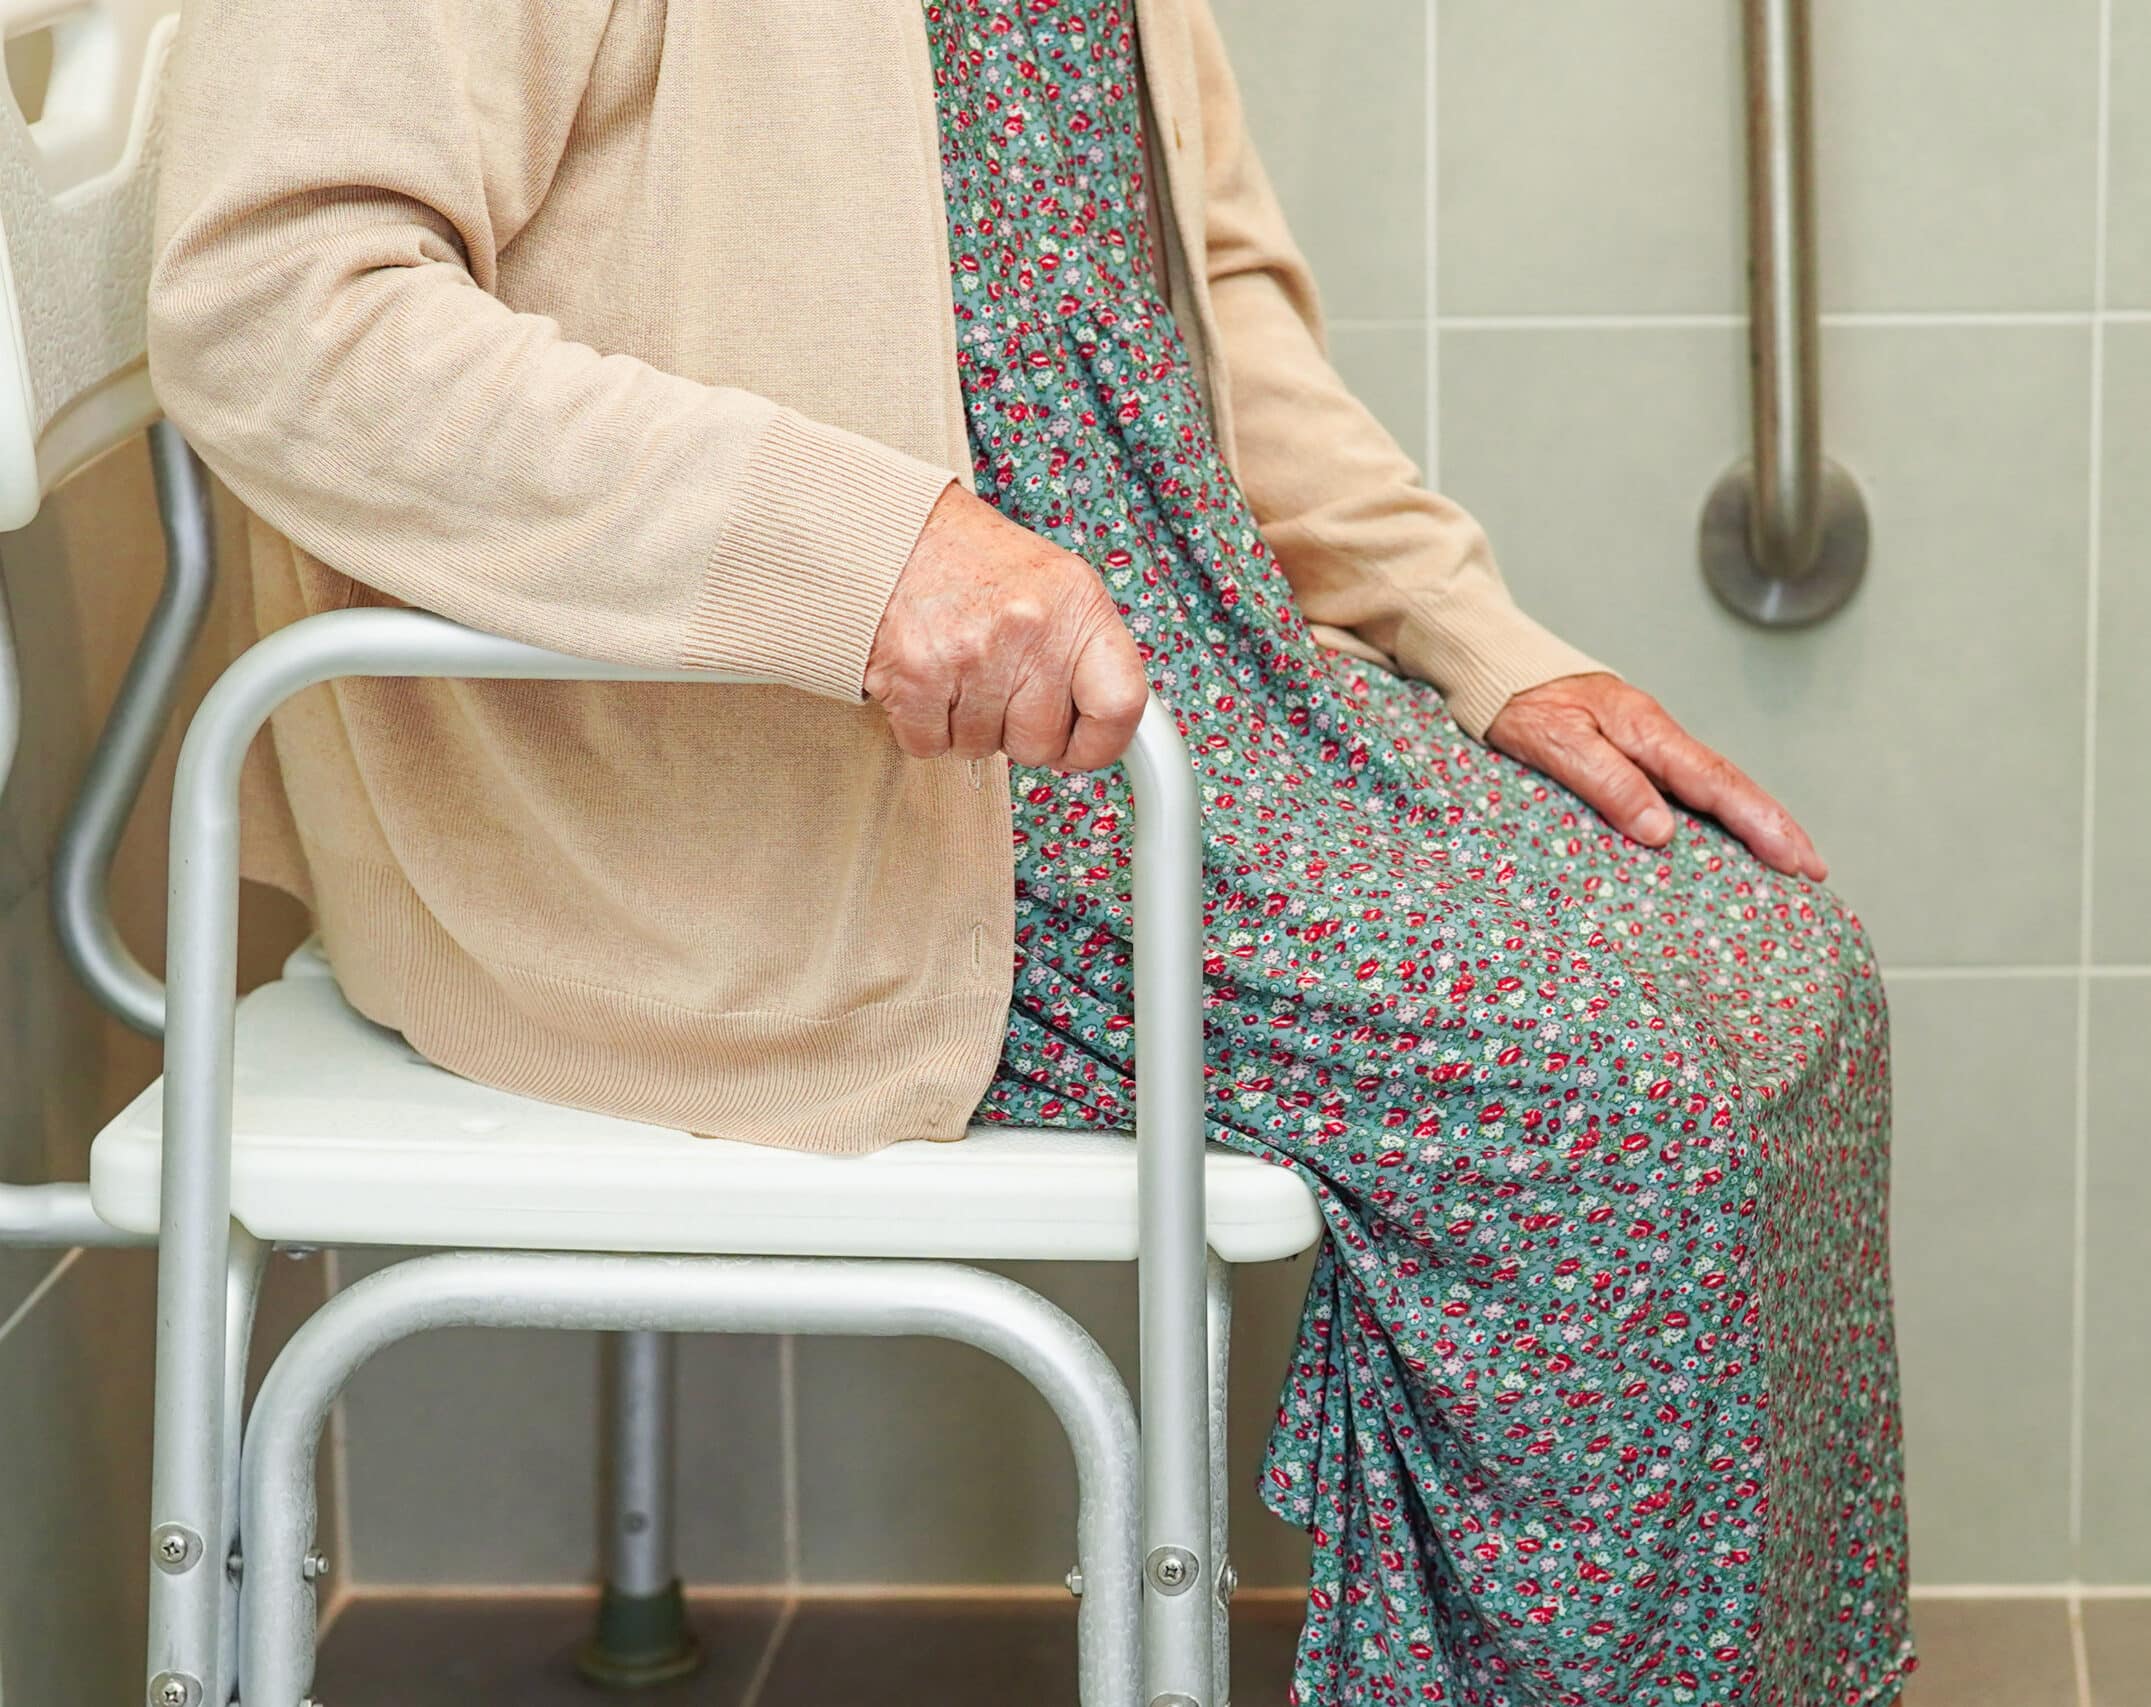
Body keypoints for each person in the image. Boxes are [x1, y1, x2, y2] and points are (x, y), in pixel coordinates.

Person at [148, 0, 1911, 1699]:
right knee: (1601, 1095)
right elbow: (277, 311)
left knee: (1773, 967)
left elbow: (1193, 292)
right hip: (758, 769)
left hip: (1176, 679)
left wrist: (1472, 633)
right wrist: (868, 559)